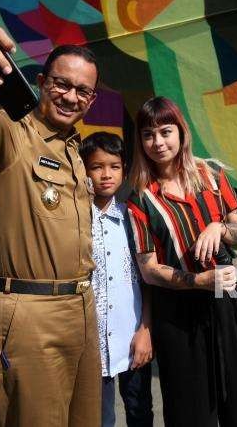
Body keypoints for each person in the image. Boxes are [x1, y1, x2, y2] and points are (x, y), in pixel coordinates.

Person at [0, 21, 101, 427]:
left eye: (82, 91)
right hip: (29, 313)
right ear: (40, 81)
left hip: (81, 306)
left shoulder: (73, 148)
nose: (71, 97)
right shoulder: (11, 132)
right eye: (61, 84)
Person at [127, 96, 237, 427]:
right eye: (148, 134)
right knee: (190, 412)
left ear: (181, 132)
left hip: (226, 302)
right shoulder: (140, 198)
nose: (158, 142)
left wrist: (218, 227)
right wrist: (198, 281)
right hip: (176, 315)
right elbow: (148, 269)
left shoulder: (211, 175)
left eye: (165, 131)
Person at [79, 132, 154, 427]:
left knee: (139, 412)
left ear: (124, 169)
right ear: (84, 170)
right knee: (99, 418)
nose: (106, 174)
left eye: (114, 166)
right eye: (96, 167)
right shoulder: (76, 222)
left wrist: (146, 330)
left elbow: (147, 280)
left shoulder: (134, 219)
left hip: (133, 339)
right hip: (92, 345)